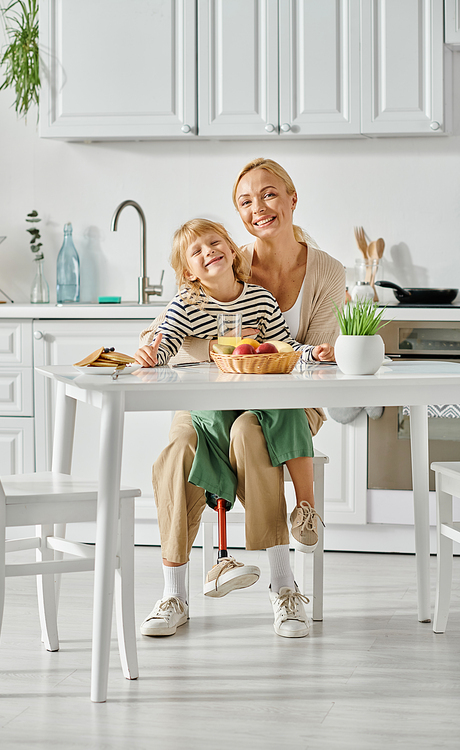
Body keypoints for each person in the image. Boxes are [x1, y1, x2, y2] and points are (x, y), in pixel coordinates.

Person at [138, 158, 346, 639]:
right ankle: (174, 593)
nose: (259, 208)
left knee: (252, 432)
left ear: (292, 199)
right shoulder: (227, 262)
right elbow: (171, 323)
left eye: (270, 194)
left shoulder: (325, 272)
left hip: (284, 402)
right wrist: (161, 345)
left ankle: (283, 586)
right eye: (246, 202)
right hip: (206, 399)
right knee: (176, 453)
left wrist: (302, 351)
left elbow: (304, 354)